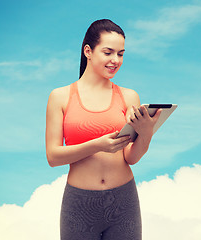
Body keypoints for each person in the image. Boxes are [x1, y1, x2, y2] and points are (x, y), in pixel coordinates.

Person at [45, 19, 161, 240]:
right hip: (79, 205)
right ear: (88, 51)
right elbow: (53, 156)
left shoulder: (129, 96)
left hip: (123, 201)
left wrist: (146, 133)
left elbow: (131, 157)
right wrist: (97, 145)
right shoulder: (60, 97)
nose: (115, 60)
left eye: (121, 54)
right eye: (108, 52)